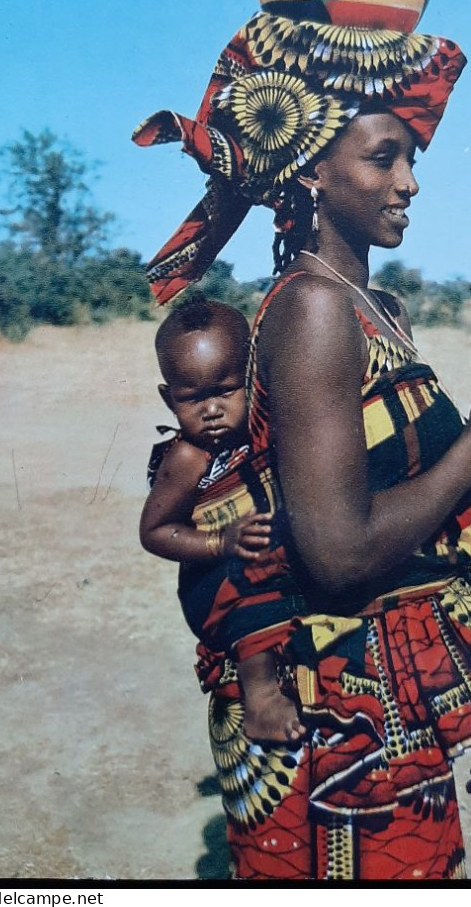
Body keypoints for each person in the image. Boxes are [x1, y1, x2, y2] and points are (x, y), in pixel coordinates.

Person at [133, 0, 471, 881]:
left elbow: (422, 549)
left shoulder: (365, 304)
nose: (408, 183)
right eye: (383, 158)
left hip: (391, 693)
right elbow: (340, 549)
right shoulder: (316, 310)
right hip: (333, 723)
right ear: (313, 169)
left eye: (411, 160)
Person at [139, 295, 306, 744]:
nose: (210, 409)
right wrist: (219, 542)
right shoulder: (189, 458)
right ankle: (260, 696)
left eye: (225, 391)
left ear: (253, 379)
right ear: (167, 398)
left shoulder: (265, 430)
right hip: (215, 582)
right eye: (191, 398)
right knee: (249, 584)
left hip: (262, 562)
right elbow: (154, 532)